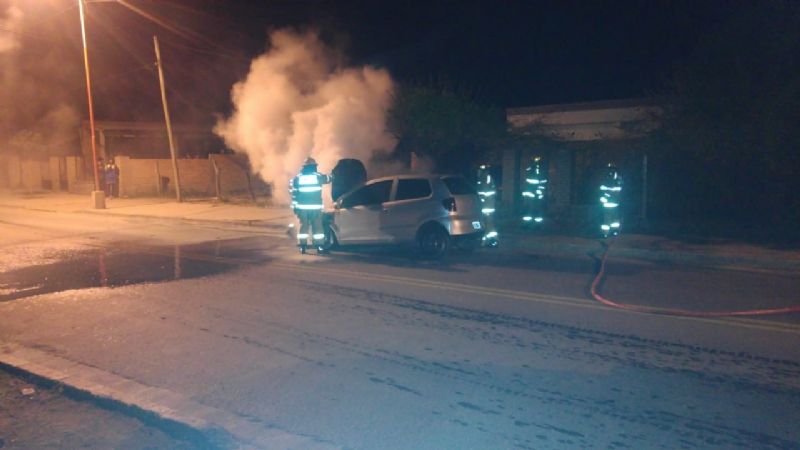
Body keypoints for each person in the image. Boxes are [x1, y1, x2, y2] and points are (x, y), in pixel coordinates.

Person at [291, 157, 332, 253]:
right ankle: (319, 246)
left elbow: (294, 194)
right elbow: (329, 178)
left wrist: (295, 207)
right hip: (315, 208)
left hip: (302, 209)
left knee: (303, 227)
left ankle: (303, 246)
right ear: (313, 167)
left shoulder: (297, 178)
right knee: (317, 227)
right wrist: (334, 175)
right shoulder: (318, 177)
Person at [476, 164, 499, 246]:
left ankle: (490, 240)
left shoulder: (485, 179)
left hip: (487, 207)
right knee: (488, 223)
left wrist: (479, 201)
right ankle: (491, 240)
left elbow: (483, 193)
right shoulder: (485, 179)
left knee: (488, 223)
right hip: (488, 206)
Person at [521, 155, 547, 226]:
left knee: (534, 209)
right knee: (531, 209)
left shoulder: (538, 170)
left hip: (534, 193)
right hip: (532, 194)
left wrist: (540, 192)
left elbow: (542, 182)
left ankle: (534, 224)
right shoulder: (532, 169)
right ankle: (530, 224)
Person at [599, 163, 623, 237]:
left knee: (615, 219)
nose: (610, 171)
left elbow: (619, 189)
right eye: (609, 169)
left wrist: (608, 192)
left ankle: (614, 231)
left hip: (615, 202)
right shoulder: (605, 178)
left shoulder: (618, 179)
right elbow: (601, 188)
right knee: (606, 219)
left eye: (612, 169)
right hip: (606, 203)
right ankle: (605, 233)